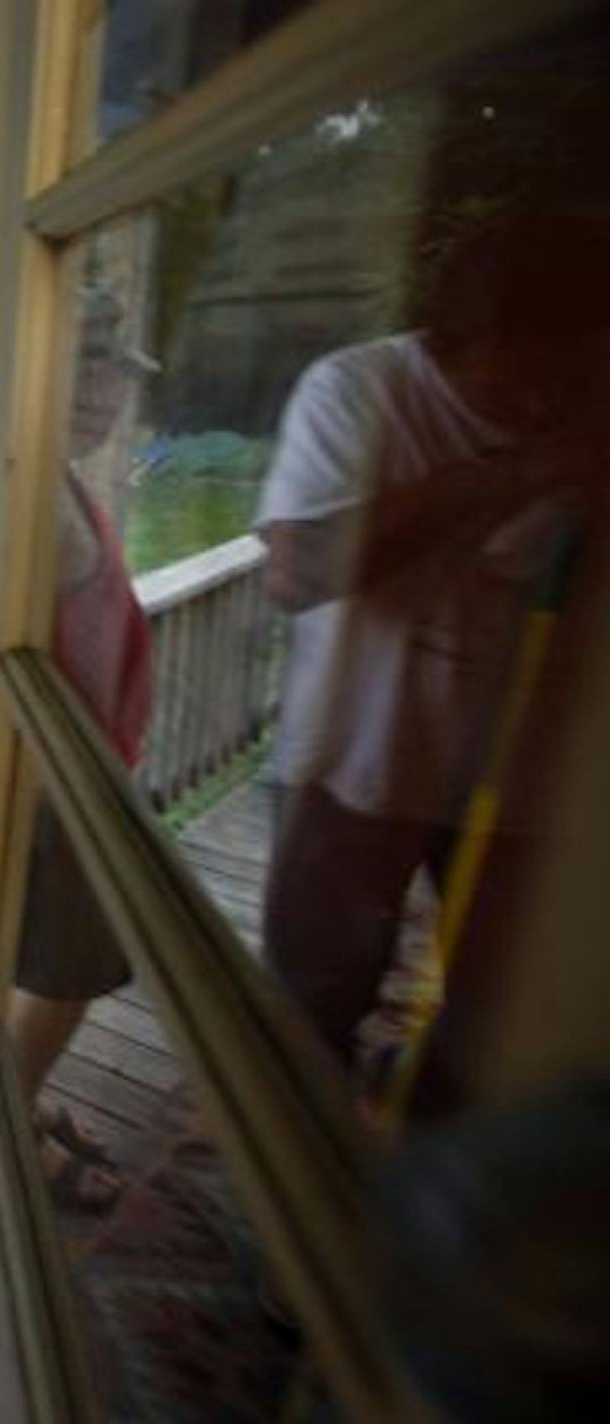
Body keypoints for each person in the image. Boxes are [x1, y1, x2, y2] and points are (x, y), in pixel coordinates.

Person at [255, 216, 602, 1113]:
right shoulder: (358, 389)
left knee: (500, 1024)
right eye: (527, 369)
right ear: (459, 342)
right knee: (311, 1007)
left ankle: (418, 1173)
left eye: (573, 369)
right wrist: (509, 475)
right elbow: (294, 573)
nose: (546, 393)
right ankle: (287, 1200)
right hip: (353, 766)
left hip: (527, 786)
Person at [4, 288, 157, 1211]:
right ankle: (11, 1119)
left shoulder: (56, 478)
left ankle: (23, 1101)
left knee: (60, 970)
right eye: (88, 368)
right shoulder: (26, 489)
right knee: (67, 972)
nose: (105, 391)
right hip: (51, 784)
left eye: (115, 373)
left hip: (83, 775)